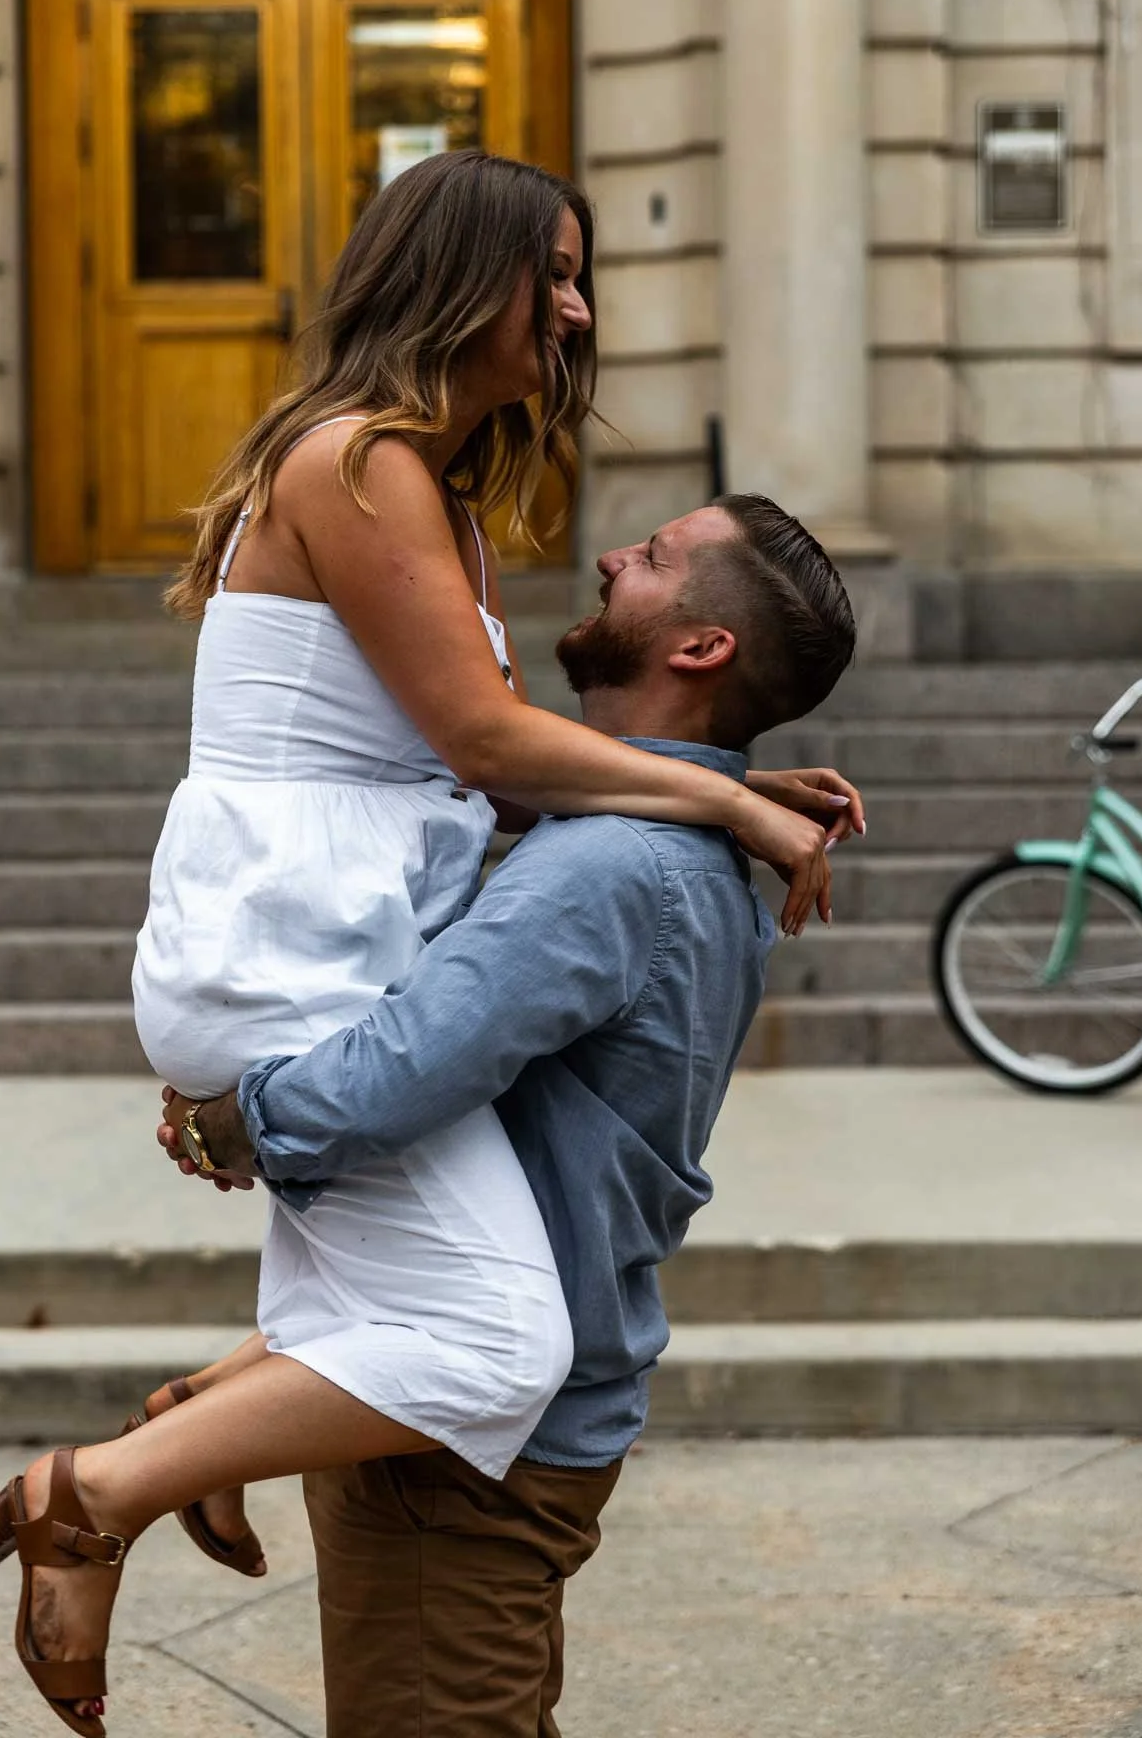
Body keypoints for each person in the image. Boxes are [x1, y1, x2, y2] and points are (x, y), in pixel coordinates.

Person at [0, 150, 855, 1737]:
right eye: (555, 273)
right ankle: (92, 1495)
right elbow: (481, 738)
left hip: (340, 934)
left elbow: (467, 770)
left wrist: (712, 783)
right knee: (500, 1335)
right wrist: (715, 807)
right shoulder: (357, 459)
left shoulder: (424, 493)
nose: (578, 308)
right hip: (286, 945)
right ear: (461, 278)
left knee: (430, 1287)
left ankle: (219, 1439)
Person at [152, 492, 858, 1736]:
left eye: (651, 560)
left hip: (462, 1447)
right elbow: (524, 1147)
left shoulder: (605, 870)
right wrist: (730, 785)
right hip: (514, 1415)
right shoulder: (658, 843)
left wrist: (226, 1121)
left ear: (700, 649)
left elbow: (384, 1085)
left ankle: (96, 1492)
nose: (608, 556)